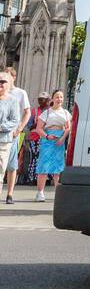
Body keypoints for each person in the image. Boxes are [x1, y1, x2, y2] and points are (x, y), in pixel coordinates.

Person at [34, 89, 71, 200]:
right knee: (44, 165)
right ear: (53, 99)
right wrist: (46, 136)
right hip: (48, 138)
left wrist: (62, 138)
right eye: (57, 97)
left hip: (60, 138)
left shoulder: (65, 113)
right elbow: (38, 128)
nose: (59, 99)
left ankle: (58, 192)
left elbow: (68, 127)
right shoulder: (47, 112)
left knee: (58, 167)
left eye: (61, 97)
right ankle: (40, 192)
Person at [0, 69, 30, 204]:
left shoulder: (18, 95)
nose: (1, 83)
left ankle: (9, 194)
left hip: (9, 136)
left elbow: (23, 115)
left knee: (10, 165)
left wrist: (17, 130)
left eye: (4, 81)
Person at [0, 76, 21, 197]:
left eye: (4, 81)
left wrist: (1, 127)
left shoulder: (13, 101)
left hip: (3, 142)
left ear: (9, 84)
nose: (1, 84)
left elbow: (15, 120)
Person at [24, 92, 51, 185]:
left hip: (47, 138)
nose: (40, 101)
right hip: (35, 138)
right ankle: (32, 177)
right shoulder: (34, 111)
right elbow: (29, 126)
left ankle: (46, 178)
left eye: (43, 99)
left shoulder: (51, 111)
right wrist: (38, 123)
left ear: (48, 100)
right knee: (34, 157)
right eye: (39, 99)